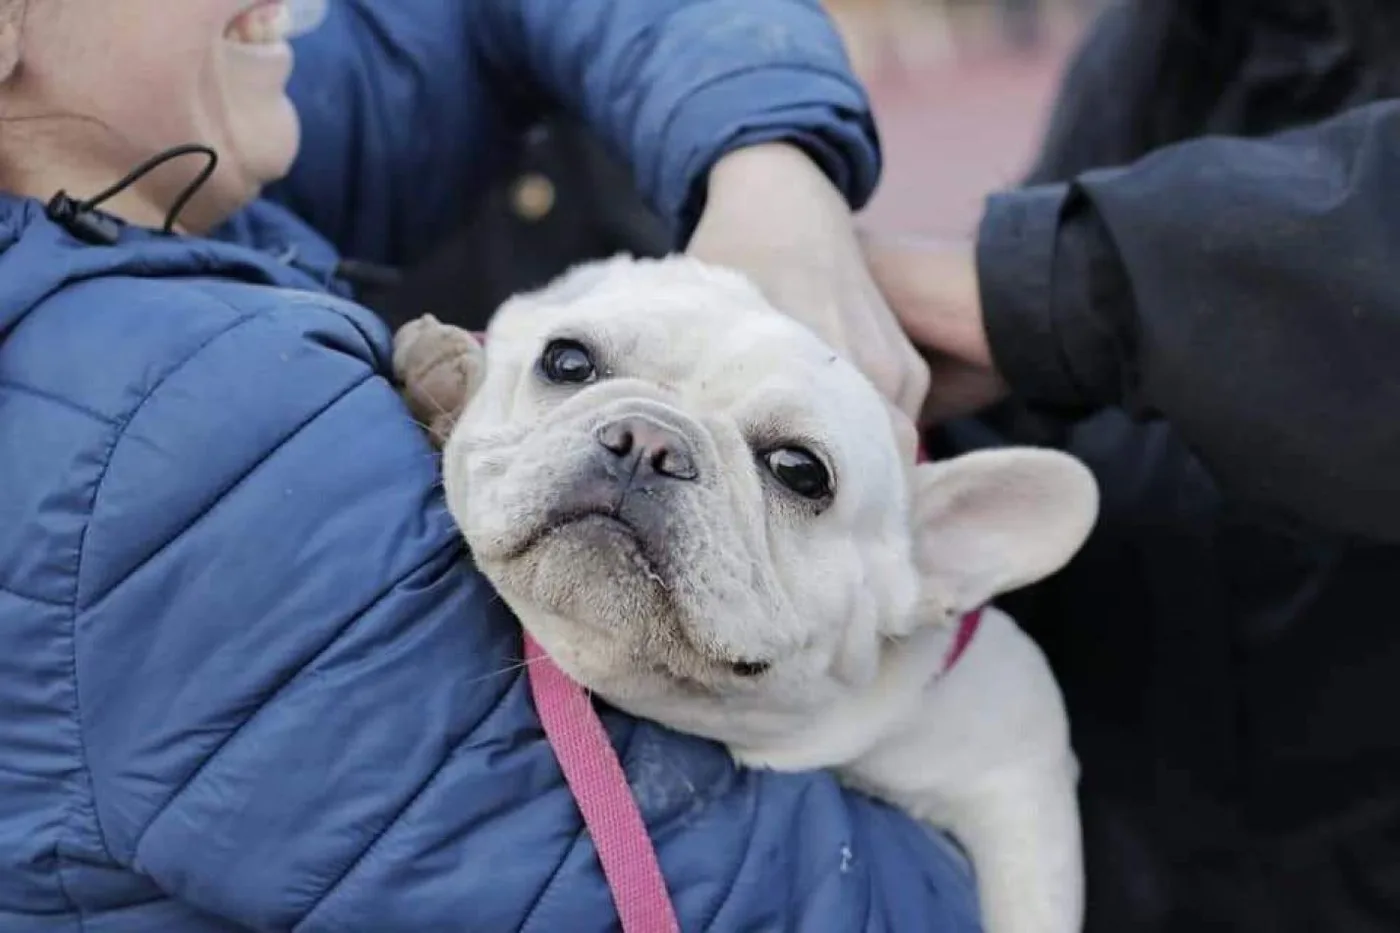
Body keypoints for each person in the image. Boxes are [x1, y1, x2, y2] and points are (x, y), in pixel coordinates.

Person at [0, 1, 973, 930]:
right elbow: (809, 903)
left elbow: (476, 15)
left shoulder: (126, 147)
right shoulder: (175, 437)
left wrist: (768, 171)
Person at [862, 1, 1400, 931]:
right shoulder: (1177, 38)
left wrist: (1052, 291)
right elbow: (1029, 410)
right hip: (1137, 842)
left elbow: (1041, 306)